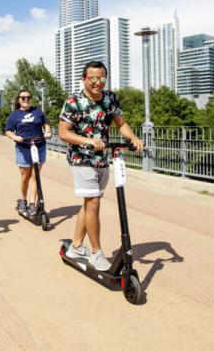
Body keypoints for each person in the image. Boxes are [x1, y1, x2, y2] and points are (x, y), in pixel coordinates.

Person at [58, 61, 143, 271]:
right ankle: (96, 252)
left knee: (89, 203)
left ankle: (76, 246)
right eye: (93, 78)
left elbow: (120, 123)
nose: (98, 82)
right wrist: (88, 141)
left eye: (102, 78)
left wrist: (133, 138)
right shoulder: (73, 101)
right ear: (84, 79)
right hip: (81, 158)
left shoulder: (110, 98)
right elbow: (63, 133)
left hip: (102, 157)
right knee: (94, 202)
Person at [5, 89, 52, 212]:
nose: (26, 99)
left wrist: (47, 131)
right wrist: (15, 137)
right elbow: (8, 130)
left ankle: (32, 203)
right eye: (23, 98)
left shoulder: (37, 111)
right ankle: (23, 200)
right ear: (19, 100)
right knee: (25, 176)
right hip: (23, 148)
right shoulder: (14, 115)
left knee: (35, 175)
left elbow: (46, 123)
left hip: (39, 146)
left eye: (28, 97)